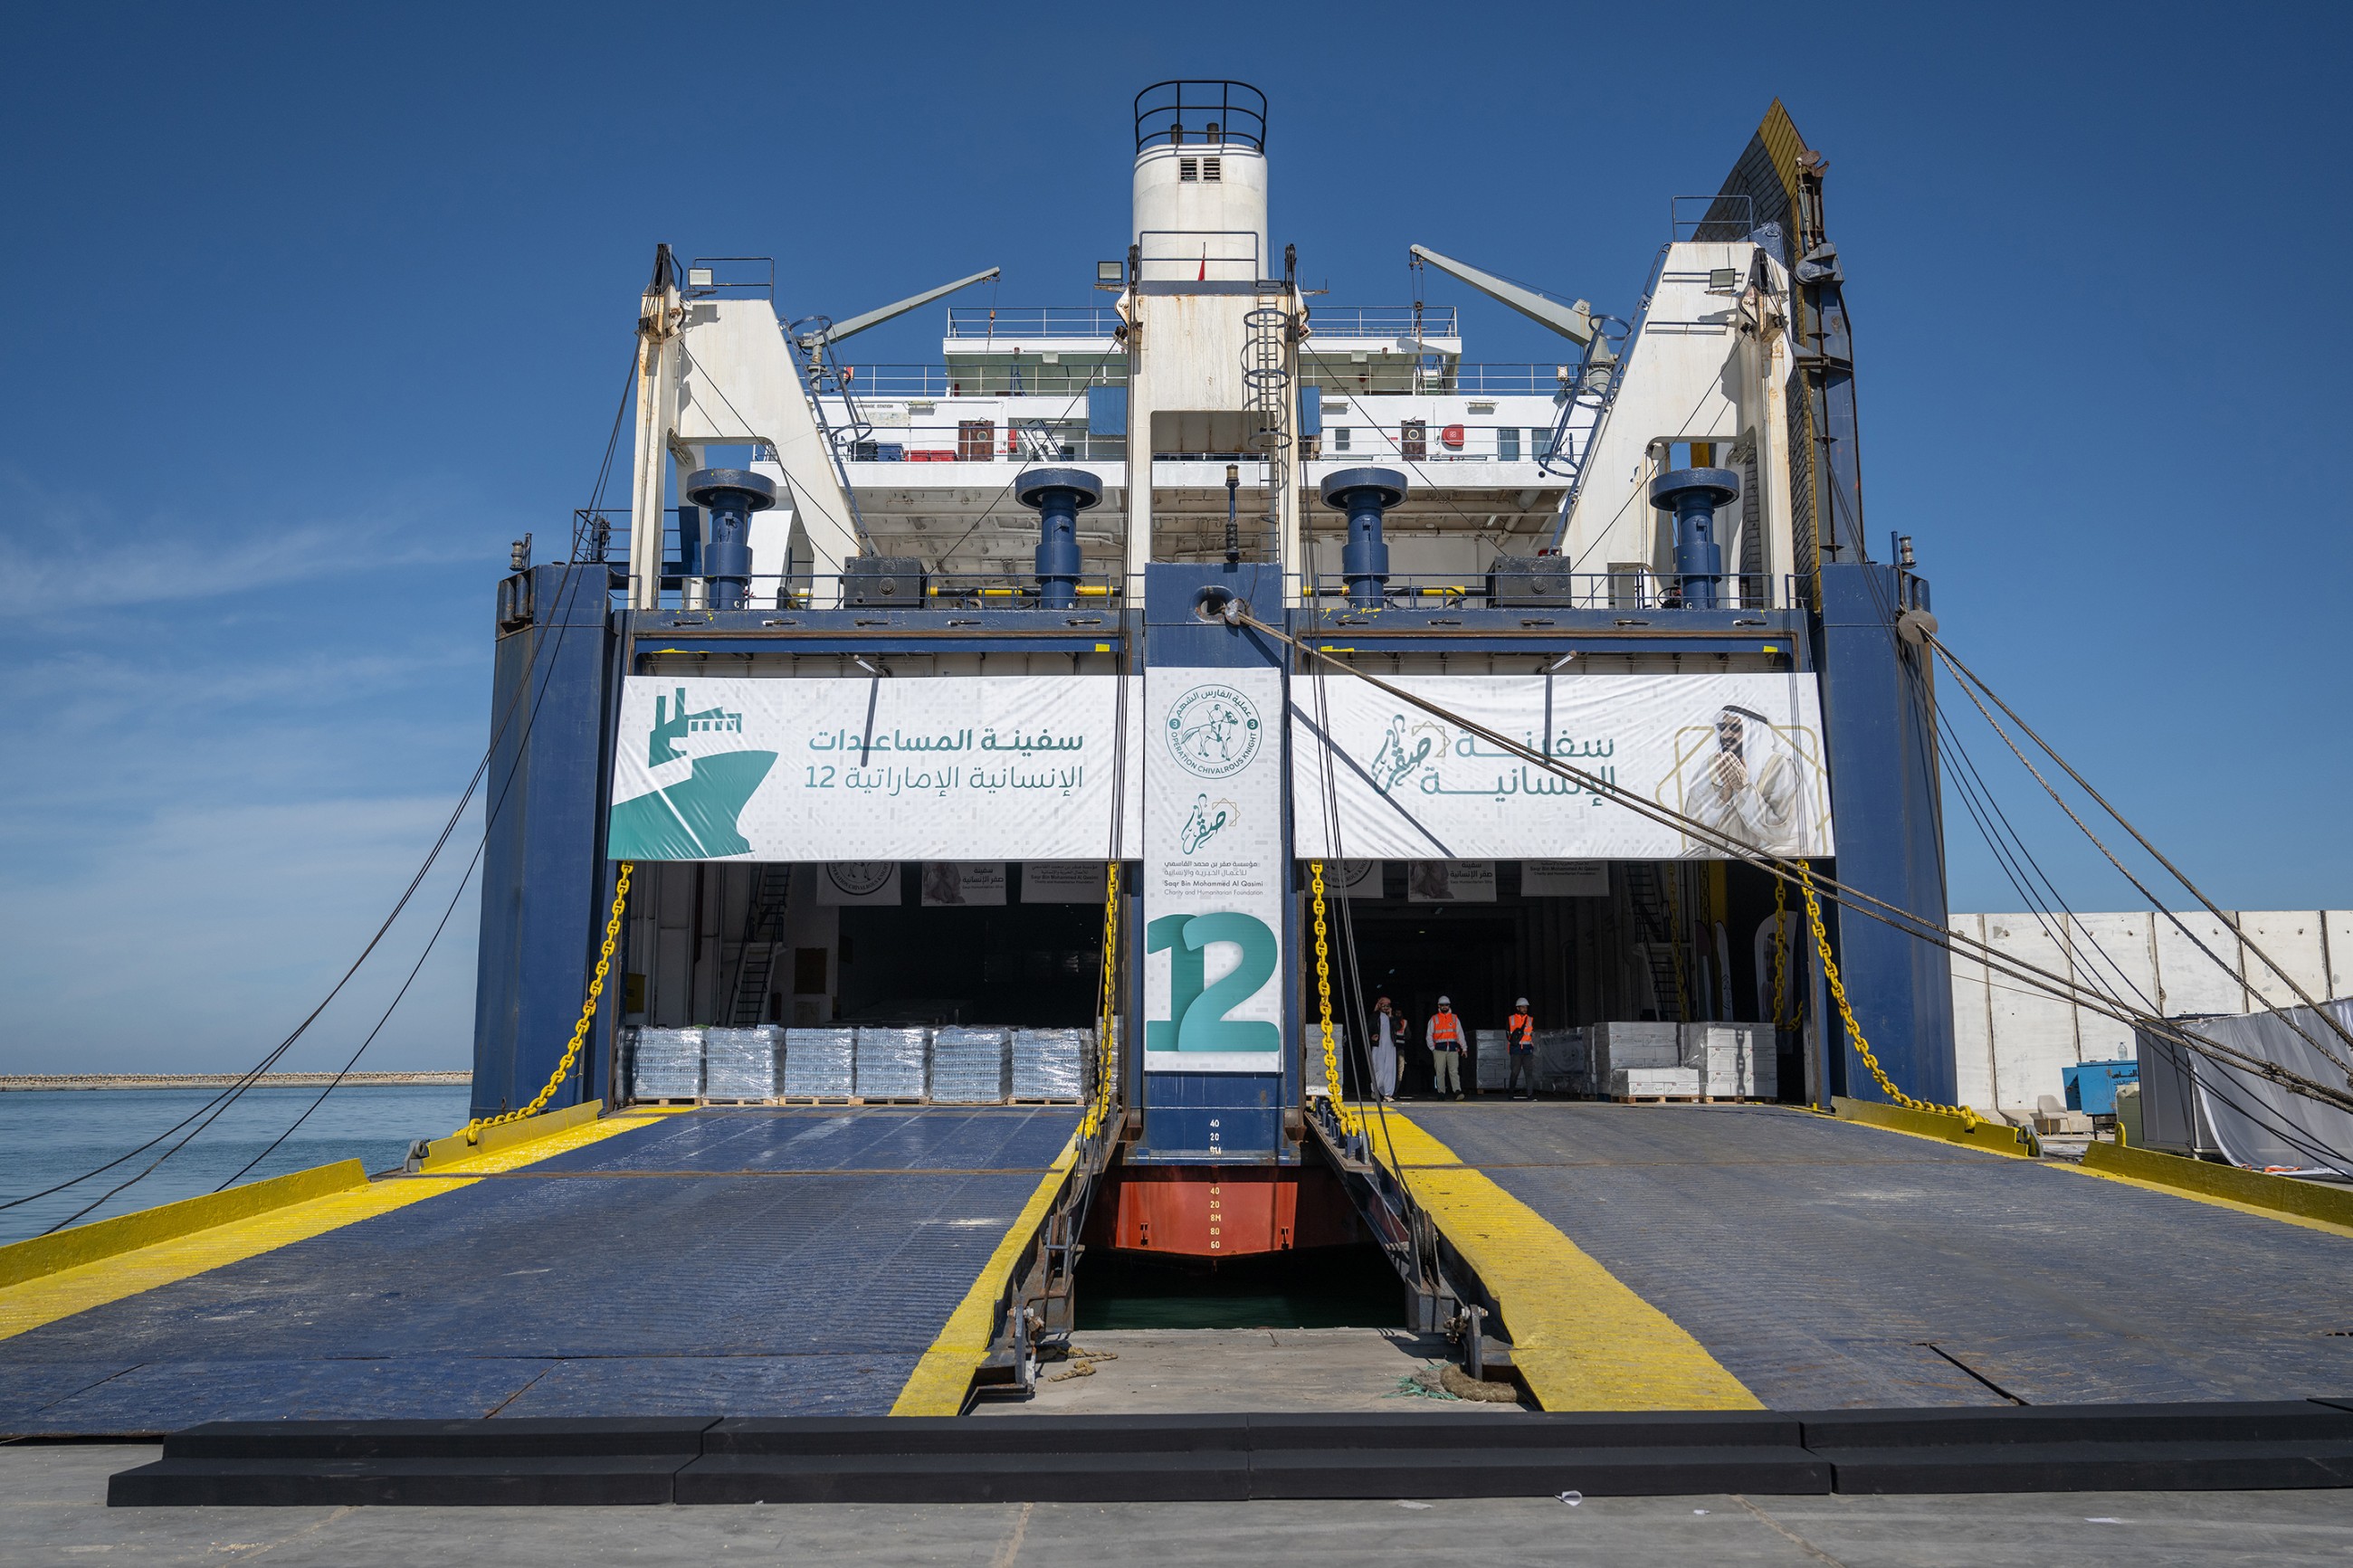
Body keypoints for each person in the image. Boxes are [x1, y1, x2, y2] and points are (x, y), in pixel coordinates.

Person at [1426, 997, 1466, 1099]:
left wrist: (1464, 1048)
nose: (1445, 1006)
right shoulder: (1434, 1019)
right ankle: (1441, 1093)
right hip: (1439, 1049)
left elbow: (1460, 1034)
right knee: (1440, 1071)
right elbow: (1429, 1035)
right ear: (1439, 1006)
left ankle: (1457, 1091)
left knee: (1454, 1071)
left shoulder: (1454, 1018)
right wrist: (1433, 1048)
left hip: (1453, 1048)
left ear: (1449, 1005)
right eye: (1443, 1005)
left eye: (1446, 1005)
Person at [1370, 996, 1401, 1100]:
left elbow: (1398, 1027)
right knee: (1379, 1070)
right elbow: (1369, 1027)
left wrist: (1391, 1016)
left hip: (1390, 1046)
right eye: (1383, 1005)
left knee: (1389, 1070)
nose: (1386, 1008)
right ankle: (1375, 1089)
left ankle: (1388, 1094)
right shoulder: (1375, 1016)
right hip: (1378, 1046)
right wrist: (1372, 1037)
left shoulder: (1392, 1017)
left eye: (1388, 1006)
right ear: (1379, 1006)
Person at [1506, 996, 1537, 1099]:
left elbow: (1533, 1034)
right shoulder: (1511, 1019)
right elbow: (1508, 1035)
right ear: (1518, 1008)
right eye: (1522, 1007)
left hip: (1527, 1049)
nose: (1525, 1009)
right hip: (1516, 1049)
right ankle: (1511, 1094)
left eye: (1526, 1007)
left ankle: (1530, 1095)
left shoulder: (1530, 1019)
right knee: (1515, 1072)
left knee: (1529, 1073)